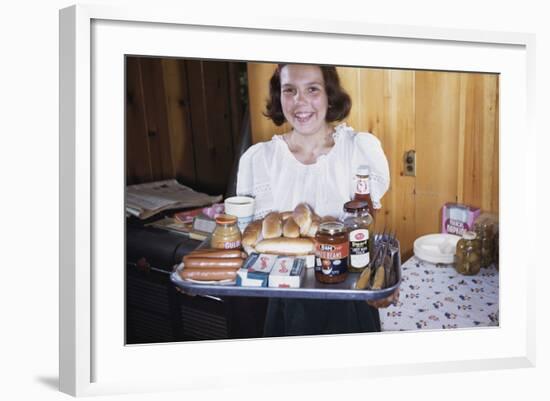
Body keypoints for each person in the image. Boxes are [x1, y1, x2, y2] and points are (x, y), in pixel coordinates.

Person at [236, 63, 398, 337]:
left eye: (312, 89)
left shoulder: (357, 150)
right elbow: (248, 243)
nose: (300, 102)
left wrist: (377, 282)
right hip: (285, 303)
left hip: (347, 301)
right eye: (290, 90)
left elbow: (365, 232)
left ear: (328, 94)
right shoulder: (260, 159)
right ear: (279, 96)